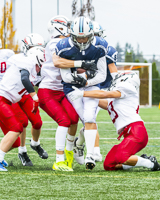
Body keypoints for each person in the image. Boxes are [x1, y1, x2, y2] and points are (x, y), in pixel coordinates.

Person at [69, 71, 160, 171]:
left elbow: (104, 94)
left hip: (136, 131)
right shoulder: (119, 98)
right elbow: (101, 102)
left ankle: (151, 164)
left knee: (122, 157)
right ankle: (141, 160)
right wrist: (84, 96)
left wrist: (83, 93)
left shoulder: (127, 88)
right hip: (129, 133)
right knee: (109, 165)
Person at [54, 16, 108, 170]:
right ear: (72, 35)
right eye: (79, 37)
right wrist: (80, 78)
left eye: (85, 37)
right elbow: (65, 76)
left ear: (91, 35)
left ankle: (90, 155)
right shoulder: (64, 46)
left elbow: (102, 75)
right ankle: (80, 147)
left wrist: (87, 82)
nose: (82, 41)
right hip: (72, 88)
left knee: (90, 117)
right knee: (85, 118)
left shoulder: (100, 46)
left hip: (92, 86)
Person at [38, 15, 79, 171]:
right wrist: (82, 62)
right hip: (47, 91)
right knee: (64, 121)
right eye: (66, 25)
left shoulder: (66, 42)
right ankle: (59, 160)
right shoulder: (55, 43)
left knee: (74, 118)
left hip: (62, 90)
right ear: (59, 27)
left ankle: (69, 153)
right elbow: (59, 62)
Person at [0, 46, 47, 171]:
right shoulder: (27, 63)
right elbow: (24, 78)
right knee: (17, 127)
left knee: (15, 142)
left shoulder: (32, 67)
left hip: (7, 101)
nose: (40, 68)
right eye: (40, 64)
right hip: (2, 99)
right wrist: (35, 97)